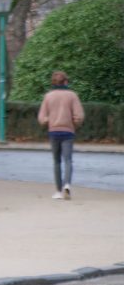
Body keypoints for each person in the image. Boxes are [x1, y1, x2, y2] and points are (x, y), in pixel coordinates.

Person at [37, 70, 85, 200]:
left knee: (56, 161)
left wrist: (48, 121)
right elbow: (79, 116)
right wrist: (74, 123)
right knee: (68, 160)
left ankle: (58, 191)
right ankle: (67, 185)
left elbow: (42, 117)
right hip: (68, 131)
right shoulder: (72, 95)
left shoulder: (48, 96)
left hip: (53, 131)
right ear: (66, 81)